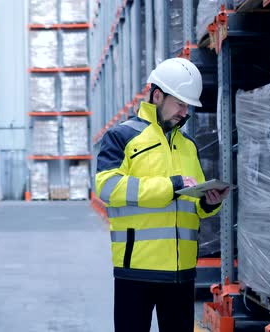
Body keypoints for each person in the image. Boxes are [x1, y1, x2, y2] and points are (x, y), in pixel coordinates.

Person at [95, 58, 230, 332]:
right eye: (179, 103)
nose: (185, 111)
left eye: (187, 105)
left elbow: (194, 202)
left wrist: (208, 202)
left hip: (181, 274)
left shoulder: (188, 146)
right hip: (136, 270)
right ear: (158, 96)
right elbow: (107, 187)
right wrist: (170, 186)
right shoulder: (122, 137)